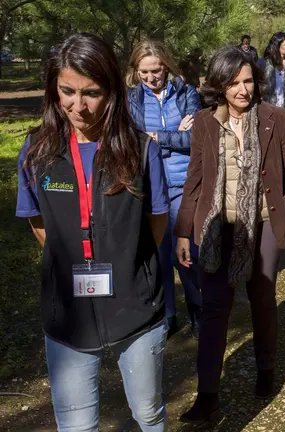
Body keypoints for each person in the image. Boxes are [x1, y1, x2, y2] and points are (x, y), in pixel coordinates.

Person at [16, 32, 170, 431]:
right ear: (54, 88)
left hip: (136, 310)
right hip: (67, 316)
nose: (78, 107)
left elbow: (156, 222)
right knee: (77, 425)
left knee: (148, 414)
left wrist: (125, 261)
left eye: (92, 93)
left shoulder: (140, 149)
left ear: (113, 91)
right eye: (67, 91)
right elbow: (38, 222)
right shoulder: (35, 153)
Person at [176, 45, 285, 423]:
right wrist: (184, 231)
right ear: (219, 85)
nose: (243, 89)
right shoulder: (204, 122)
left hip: (265, 224)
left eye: (248, 80)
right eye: (233, 83)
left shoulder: (276, 118)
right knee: (214, 306)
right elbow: (195, 181)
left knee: (263, 298)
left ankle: (266, 367)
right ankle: (207, 395)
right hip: (219, 228)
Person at [126, 40, 203, 338]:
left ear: (167, 67)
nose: (150, 78)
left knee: (186, 254)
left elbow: (197, 139)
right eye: (143, 72)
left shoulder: (186, 94)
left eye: (156, 71)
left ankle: (198, 310)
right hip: (151, 187)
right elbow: (133, 143)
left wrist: (158, 137)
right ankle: (166, 315)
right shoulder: (132, 100)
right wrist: (173, 136)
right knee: (158, 257)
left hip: (184, 186)